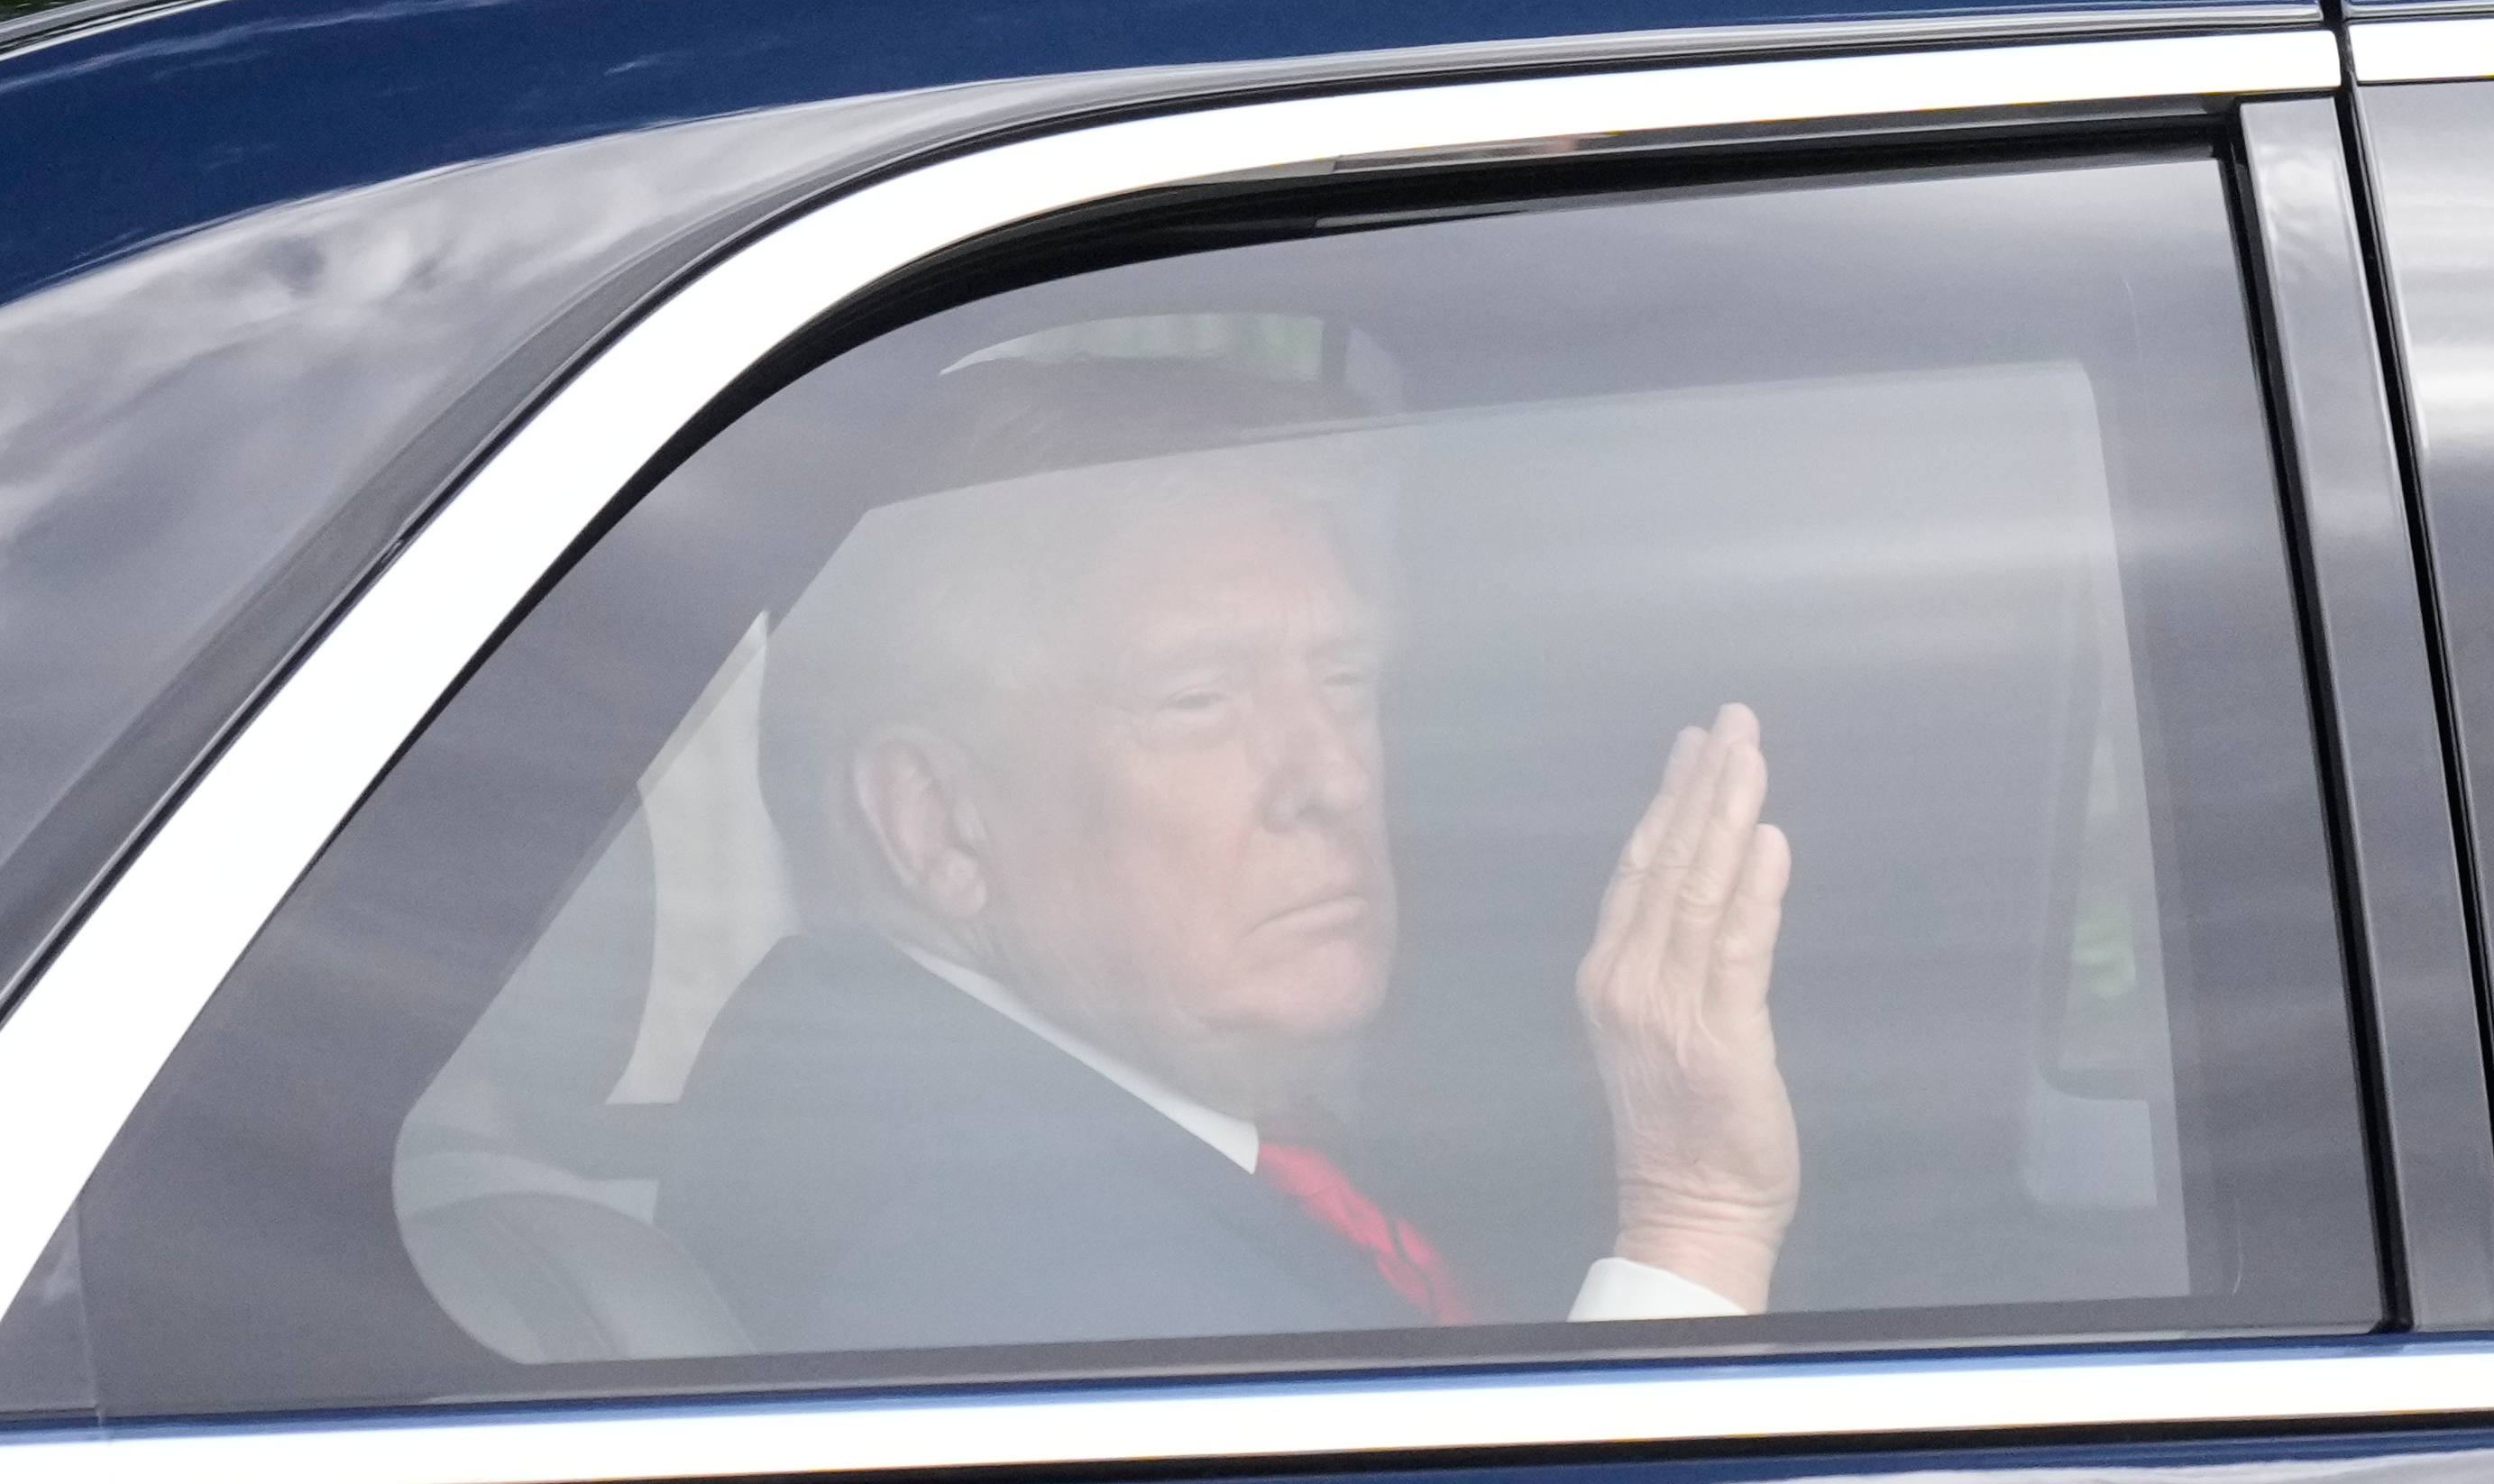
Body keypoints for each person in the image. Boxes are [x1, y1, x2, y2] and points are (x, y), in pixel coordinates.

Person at [656, 360, 1800, 1352]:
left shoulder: (891, 1090)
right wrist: (1695, 1226)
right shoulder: (1034, 1298)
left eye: (1346, 680)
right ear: (938, 824)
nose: (1334, 779)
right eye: (1201, 699)